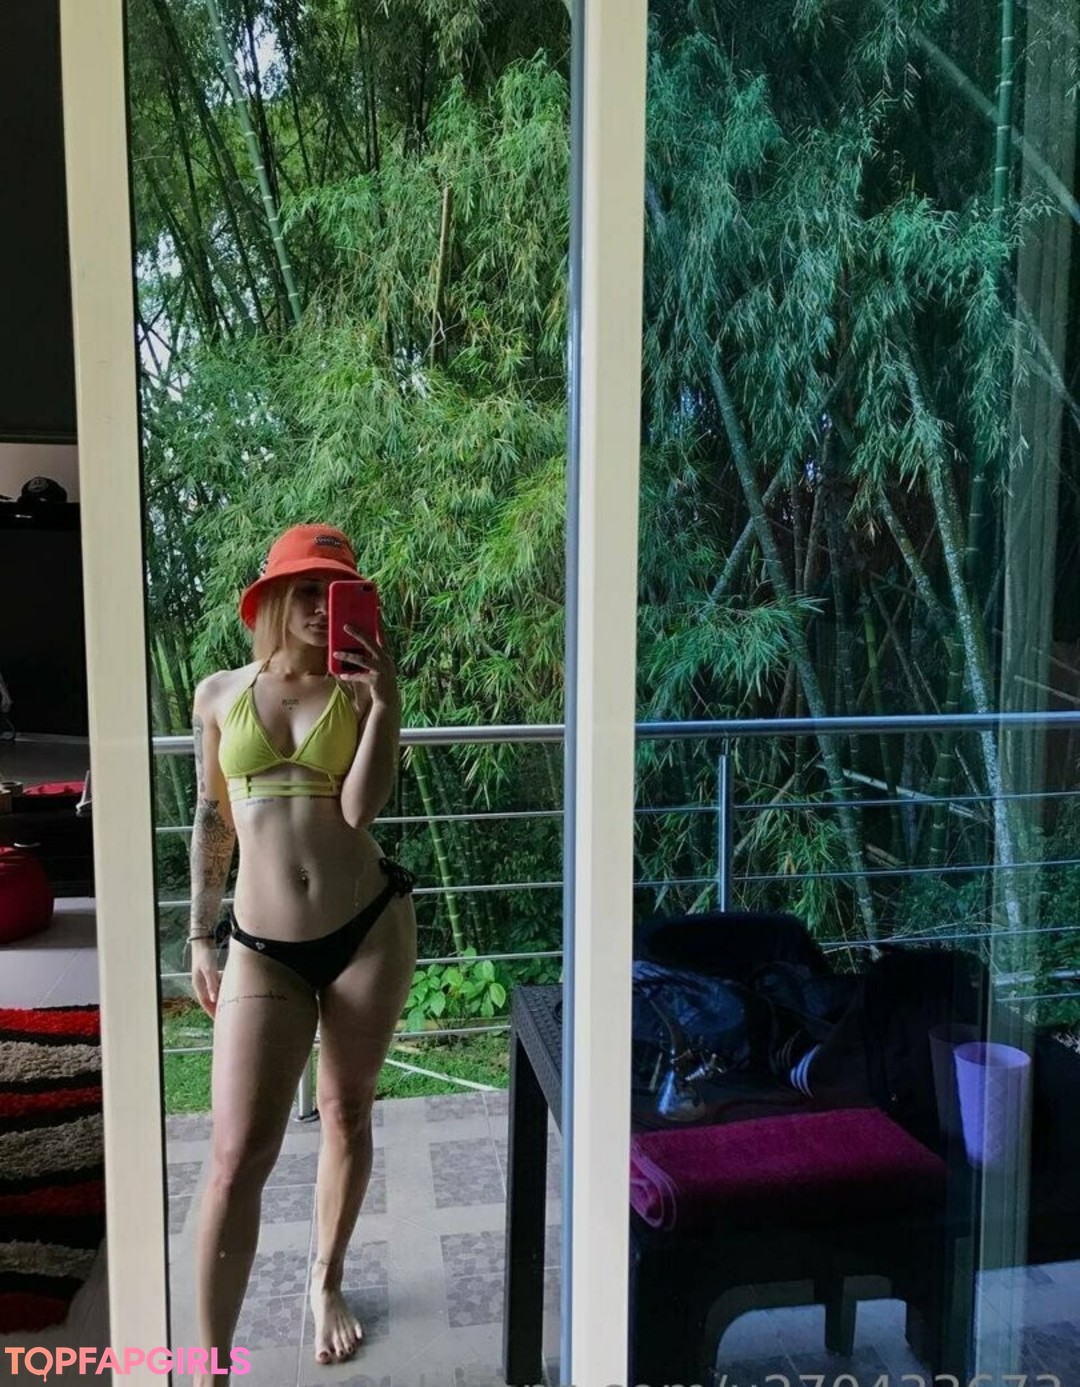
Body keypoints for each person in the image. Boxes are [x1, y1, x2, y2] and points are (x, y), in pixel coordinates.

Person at [186, 524, 417, 1377]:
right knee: (235, 1157)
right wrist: (199, 932)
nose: (323, 609)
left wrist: (385, 704)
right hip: (261, 948)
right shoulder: (218, 693)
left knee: (346, 1112)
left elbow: (359, 811)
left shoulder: (358, 691)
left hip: (366, 932)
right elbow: (212, 818)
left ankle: (325, 1280)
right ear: (274, 600)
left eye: (338, 592)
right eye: (308, 592)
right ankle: (210, 1363)